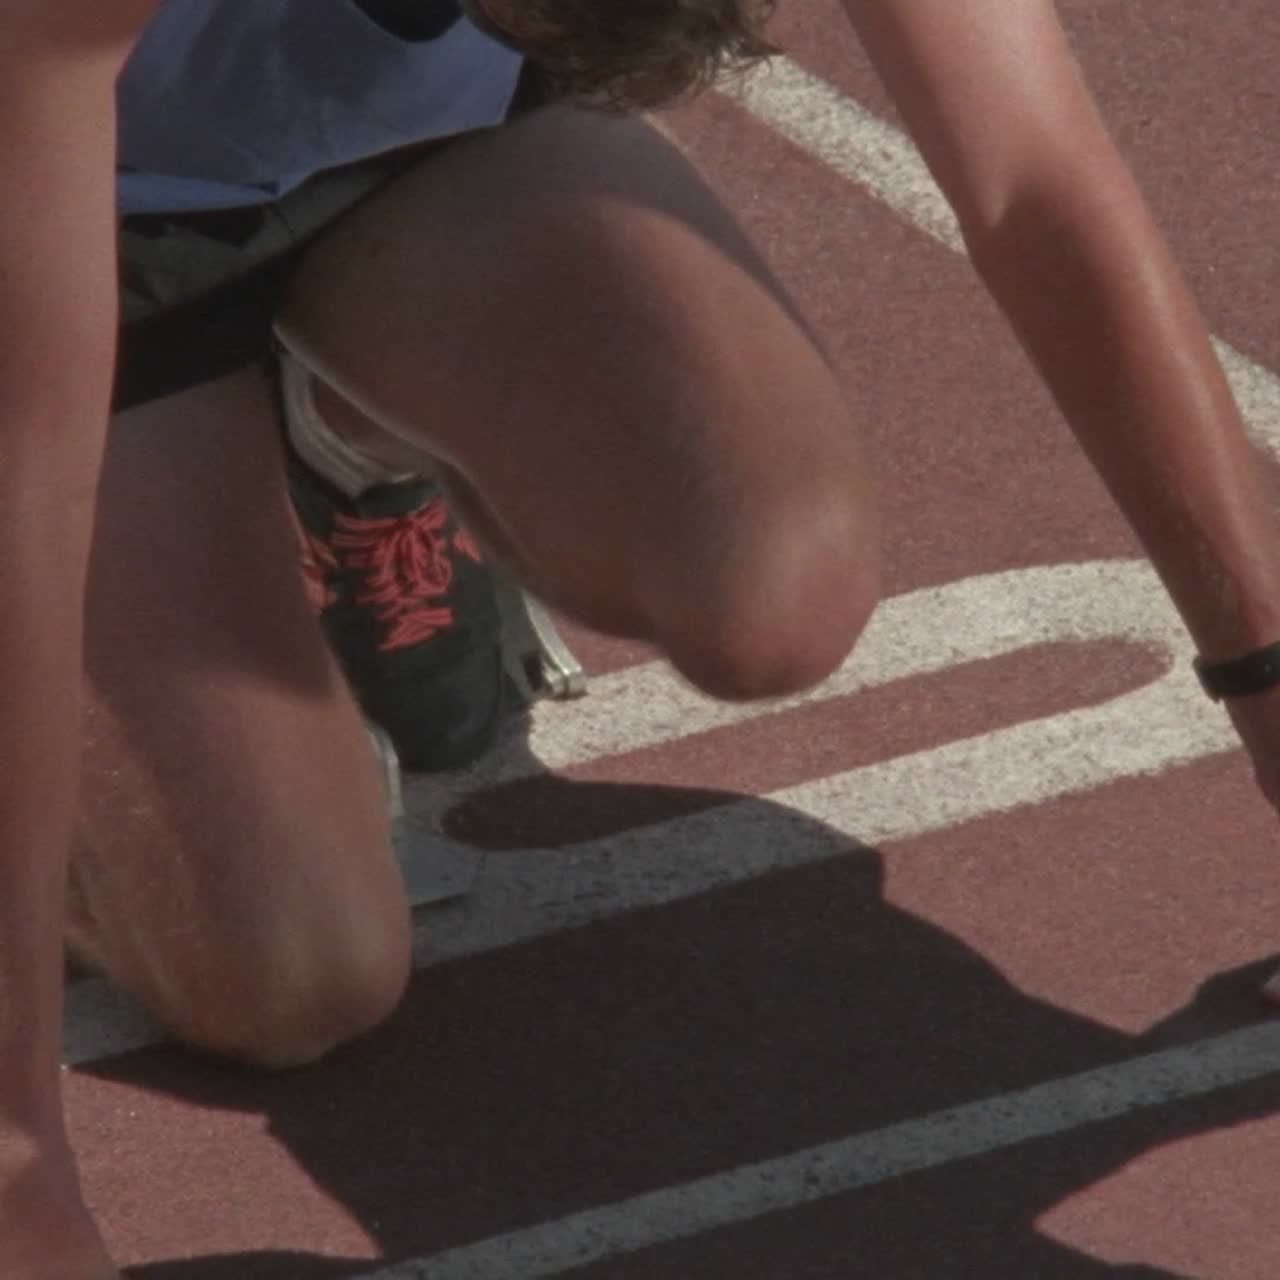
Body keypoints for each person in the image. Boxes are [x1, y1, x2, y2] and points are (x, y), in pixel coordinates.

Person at [4, 0, 1280, 1273]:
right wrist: (18, 1158)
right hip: (57, 193)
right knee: (288, 977)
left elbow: (1033, 179)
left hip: (412, 151)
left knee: (772, 587)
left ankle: (337, 432)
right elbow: (32, 477)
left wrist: (1266, 675)